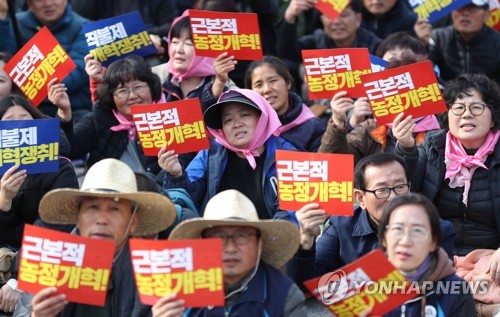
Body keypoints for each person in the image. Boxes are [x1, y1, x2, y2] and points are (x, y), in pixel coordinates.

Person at [13, 158, 177, 316]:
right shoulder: (52, 261)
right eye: (93, 207)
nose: (101, 220)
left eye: (114, 209)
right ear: (77, 216)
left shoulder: (155, 273)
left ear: (132, 221)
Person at [287, 153, 455, 288]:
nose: (393, 197)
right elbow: (306, 285)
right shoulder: (342, 224)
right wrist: (306, 240)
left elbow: (434, 289)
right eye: (382, 190)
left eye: (400, 187)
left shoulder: (437, 230)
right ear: (360, 198)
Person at [394, 73, 500, 258]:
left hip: (492, 257)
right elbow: (403, 191)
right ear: (447, 116)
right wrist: (407, 149)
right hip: (434, 254)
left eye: (476, 107)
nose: (467, 114)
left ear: (493, 119)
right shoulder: (432, 148)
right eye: (458, 108)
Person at [152, 189, 306, 317]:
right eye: (219, 237)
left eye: (241, 236)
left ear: (259, 244)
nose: (230, 248)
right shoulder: (179, 290)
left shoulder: (284, 295)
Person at [159, 88, 296, 219]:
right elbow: (187, 199)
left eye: (244, 115)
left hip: (271, 237)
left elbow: (293, 212)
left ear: (262, 117)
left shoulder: (289, 157)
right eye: (228, 120)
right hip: (216, 235)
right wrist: (176, 175)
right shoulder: (211, 154)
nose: (237, 124)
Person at [0, 94, 79, 314]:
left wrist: (18, 280)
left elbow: (55, 228)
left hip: (44, 261)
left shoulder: (61, 167)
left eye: (25, 118)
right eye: (8, 122)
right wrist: (4, 200)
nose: (18, 126)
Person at [48, 54, 167, 179]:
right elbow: (69, 150)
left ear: (152, 87)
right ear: (111, 96)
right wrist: (64, 111)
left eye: (138, 87)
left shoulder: (168, 117)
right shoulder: (99, 119)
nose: (132, 96)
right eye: (122, 91)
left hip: (155, 194)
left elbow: (180, 162)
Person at [361, 193, 476, 316]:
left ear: (433, 242)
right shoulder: (360, 286)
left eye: (417, 231)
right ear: (384, 237)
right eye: (398, 229)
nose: (405, 241)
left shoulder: (455, 291)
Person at [318, 53, 442, 165]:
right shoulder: (370, 129)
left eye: (414, 89)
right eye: (395, 89)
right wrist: (337, 123)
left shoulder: (443, 130)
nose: (404, 97)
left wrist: (407, 148)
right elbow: (331, 164)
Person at [207, 55, 325, 152]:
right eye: (259, 85)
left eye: (273, 81)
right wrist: (219, 82)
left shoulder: (312, 126)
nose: (267, 89)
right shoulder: (243, 128)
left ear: (288, 83)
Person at [0, 0, 91, 121]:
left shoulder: (83, 27)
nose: (48, 3)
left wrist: (35, 86)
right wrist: (3, 18)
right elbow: (5, 60)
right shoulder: (15, 24)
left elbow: (78, 71)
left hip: (73, 107)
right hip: (22, 108)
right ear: (29, 3)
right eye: (40, 0)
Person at [416, 0, 500, 83]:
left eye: (472, 9)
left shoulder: (497, 42)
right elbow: (421, 76)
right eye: (459, 7)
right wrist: (421, 45)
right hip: (449, 94)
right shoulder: (439, 37)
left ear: (487, 14)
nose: (465, 13)